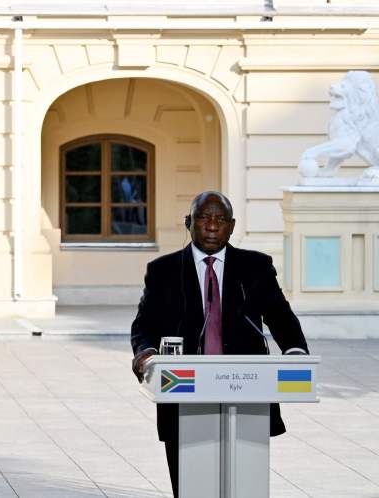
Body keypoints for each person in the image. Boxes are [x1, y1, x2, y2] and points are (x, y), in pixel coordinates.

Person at [130, 191, 308, 498]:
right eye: (204, 217)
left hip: (247, 389)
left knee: (244, 482)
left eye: (220, 219)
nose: (212, 226)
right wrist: (146, 352)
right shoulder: (164, 270)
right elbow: (144, 325)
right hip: (184, 391)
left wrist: (295, 351)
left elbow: (279, 315)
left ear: (232, 226)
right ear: (189, 223)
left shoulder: (255, 267)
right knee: (191, 485)